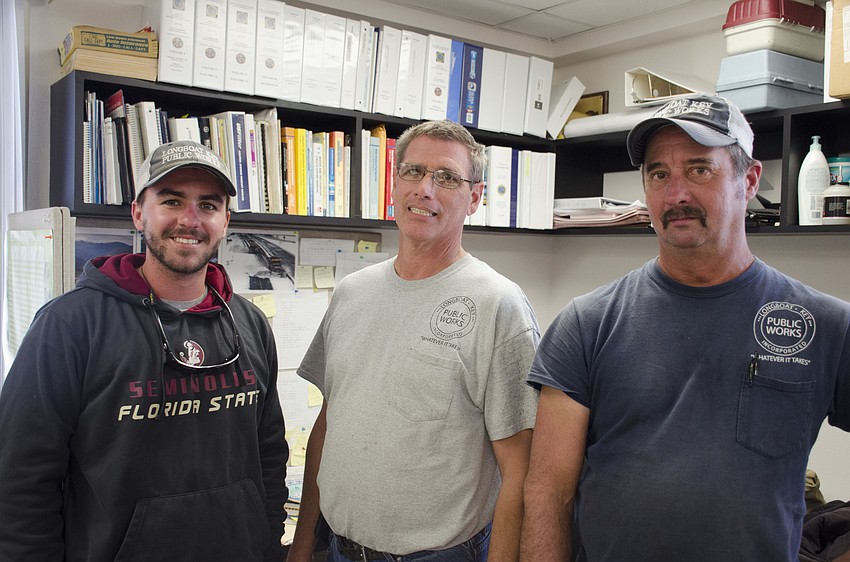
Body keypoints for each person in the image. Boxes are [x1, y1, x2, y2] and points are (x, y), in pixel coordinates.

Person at [520, 94, 850, 561]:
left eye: (699, 170)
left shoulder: (825, 325)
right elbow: (548, 492)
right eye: (659, 175)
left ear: (748, 180)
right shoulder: (587, 324)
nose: (676, 195)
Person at [0, 140, 289, 561]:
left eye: (208, 205)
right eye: (172, 201)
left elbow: (270, 453)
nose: (190, 219)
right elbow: (20, 479)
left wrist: (267, 540)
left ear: (225, 221)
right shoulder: (69, 326)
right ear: (138, 213)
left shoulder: (250, 324)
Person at [286, 120, 540, 562]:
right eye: (413, 171)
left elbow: (520, 471)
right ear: (394, 183)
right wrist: (303, 545)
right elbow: (329, 423)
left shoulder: (498, 304)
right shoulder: (351, 292)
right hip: (341, 549)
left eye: (447, 177)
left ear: (474, 198)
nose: (425, 189)